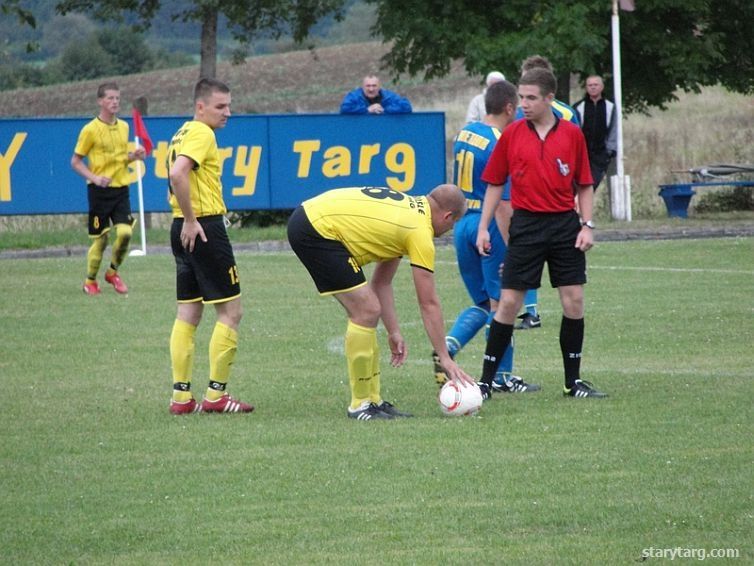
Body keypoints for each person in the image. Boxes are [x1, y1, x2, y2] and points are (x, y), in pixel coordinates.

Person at [287, 184, 475, 420]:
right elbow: (428, 303)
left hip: (311, 219)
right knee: (365, 310)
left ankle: (373, 401)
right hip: (315, 229)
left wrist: (393, 331)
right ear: (447, 216)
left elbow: (382, 283)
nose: (450, 229)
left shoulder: (407, 214)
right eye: (453, 223)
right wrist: (444, 358)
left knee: (369, 308)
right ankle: (360, 405)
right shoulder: (419, 231)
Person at [476, 67, 607, 400]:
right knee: (508, 303)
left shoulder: (572, 134)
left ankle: (572, 382)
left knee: (573, 300)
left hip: (564, 224)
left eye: (531, 98)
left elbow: (585, 184)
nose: (524, 104)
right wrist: (483, 228)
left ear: (550, 98)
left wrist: (587, 226)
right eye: (521, 97)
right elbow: (494, 183)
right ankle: (486, 382)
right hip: (527, 225)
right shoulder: (513, 133)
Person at [434, 80, 540, 394]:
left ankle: (448, 348)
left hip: (463, 223)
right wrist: (513, 248)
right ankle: (502, 376)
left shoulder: (466, 133)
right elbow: (503, 204)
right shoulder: (500, 141)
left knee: (482, 303)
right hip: (488, 224)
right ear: (509, 107)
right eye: (517, 104)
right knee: (502, 303)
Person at [166, 78, 253, 415]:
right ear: (200, 107)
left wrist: (183, 219)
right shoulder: (202, 133)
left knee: (188, 313)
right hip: (202, 227)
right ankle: (216, 395)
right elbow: (178, 174)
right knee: (231, 312)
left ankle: (181, 397)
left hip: (181, 227)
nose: (227, 112)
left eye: (229, 105)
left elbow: (174, 178)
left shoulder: (181, 133)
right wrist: (192, 219)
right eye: (220, 106)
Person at [513, 55, 582, 330]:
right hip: (564, 199)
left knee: (520, 260)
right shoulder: (568, 111)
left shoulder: (522, 114)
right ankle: (530, 311)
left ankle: (529, 311)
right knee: (569, 285)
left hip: (529, 202)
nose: (525, 102)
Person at [71, 82, 145, 296]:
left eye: (117, 99)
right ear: (100, 101)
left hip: (121, 188)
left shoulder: (124, 127)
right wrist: (94, 177)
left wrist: (134, 156)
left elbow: (120, 159)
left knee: (125, 233)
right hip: (99, 192)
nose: (114, 102)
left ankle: (112, 272)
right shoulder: (90, 130)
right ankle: (90, 280)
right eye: (110, 98)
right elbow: (75, 161)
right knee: (101, 240)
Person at [574, 75, 617, 190]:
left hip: (600, 155)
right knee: (578, 185)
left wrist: (609, 150)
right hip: (582, 155)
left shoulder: (611, 107)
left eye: (596, 85)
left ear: (602, 87)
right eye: (590, 85)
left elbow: (613, 129)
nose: (593, 87)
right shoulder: (578, 107)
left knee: (592, 186)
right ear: (586, 88)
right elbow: (575, 130)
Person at [339, 74, 412, 115]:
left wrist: (384, 110)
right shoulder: (354, 96)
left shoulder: (388, 96)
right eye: (368, 86)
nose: (371, 89)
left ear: (379, 86)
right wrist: (367, 110)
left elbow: (406, 107)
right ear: (362, 87)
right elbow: (344, 108)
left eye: (374, 86)